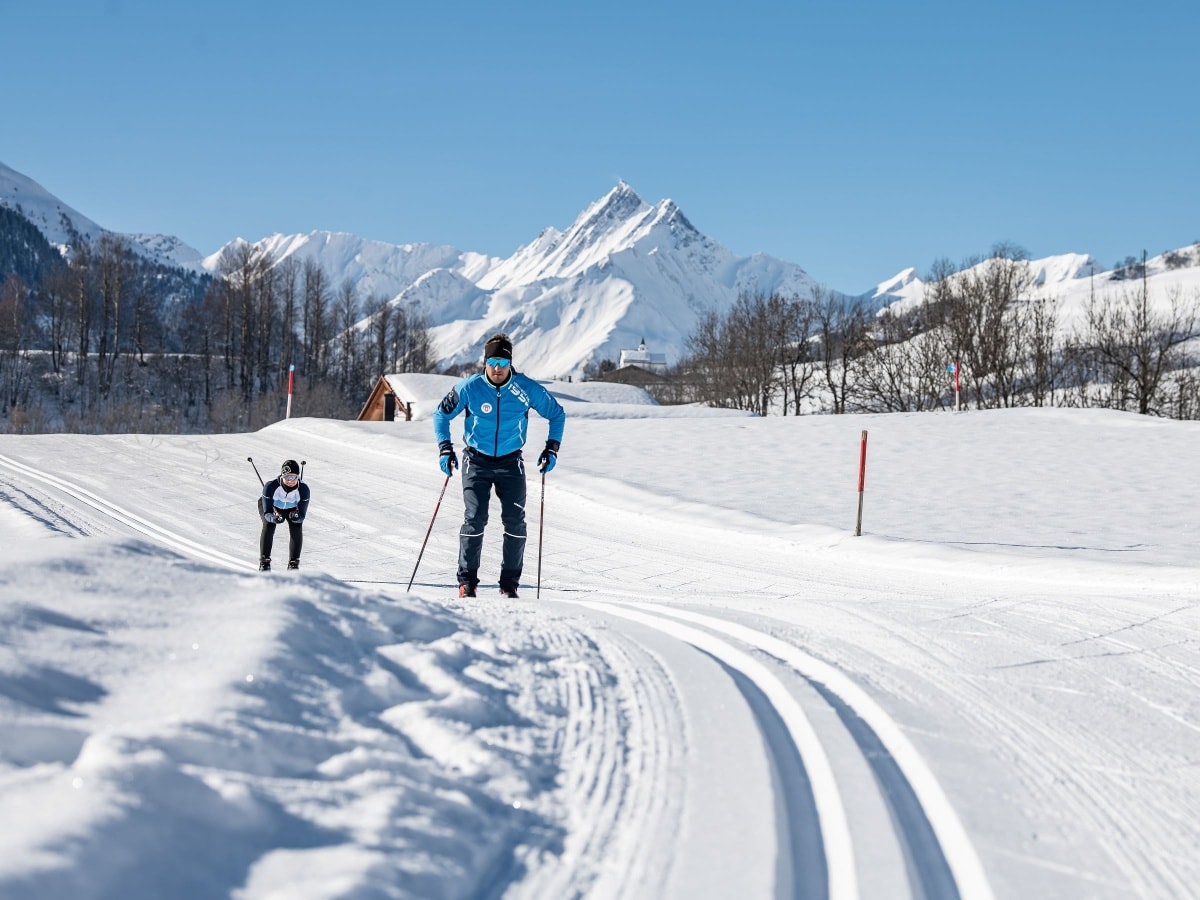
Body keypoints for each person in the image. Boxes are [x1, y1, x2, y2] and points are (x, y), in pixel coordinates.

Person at [433, 333, 566, 598]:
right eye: (492, 361)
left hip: (511, 462)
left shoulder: (525, 388)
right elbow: (441, 414)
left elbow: (557, 414)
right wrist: (444, 448)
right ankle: (467, 582)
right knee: (475, 518)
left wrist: (552, 448)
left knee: (515, 522)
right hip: (476, 461)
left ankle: (509, 585)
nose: (497, 368)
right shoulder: (469, 387)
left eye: (502, 362)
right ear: (485, 362)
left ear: (510, 363)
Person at [258, 459, 310, 571]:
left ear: (298, 477)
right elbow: (267, 513)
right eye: (287, 477)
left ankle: (293, 564)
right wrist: (274, 518)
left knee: (296, 526)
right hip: (273, 508)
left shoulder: (303, 489)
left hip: (291, 509)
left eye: (294, 477)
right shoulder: (271, 486)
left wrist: (296, 517)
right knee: (269, 525)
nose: (290, 481)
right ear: (282, 476)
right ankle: (264, 562)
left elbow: (302, 516)